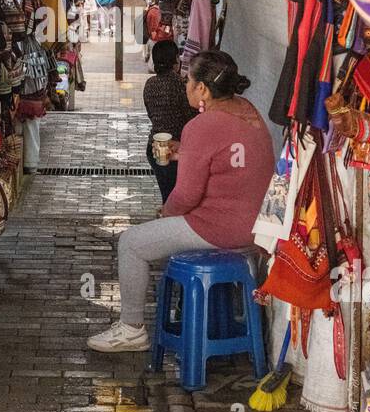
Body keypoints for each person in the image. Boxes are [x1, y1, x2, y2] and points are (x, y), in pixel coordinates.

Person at [88, 49, 275, 352]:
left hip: (219, 230)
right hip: (259, 228)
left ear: (202, 88)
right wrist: (186, 153)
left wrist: (165, 214)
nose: (185, 84)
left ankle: (131, 328)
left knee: (131, 243)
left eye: (188, 79)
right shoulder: (248, 110)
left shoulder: (201, 126)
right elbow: (226, 158)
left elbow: (186, 196)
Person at [142, 40, 196, 203]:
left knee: (167, 195)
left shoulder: (150, 84)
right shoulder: (181, 85)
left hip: (155, 146)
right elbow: (191, 118)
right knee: (177, 199)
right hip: (176, 149)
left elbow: (152, 114)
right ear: (175, 61)